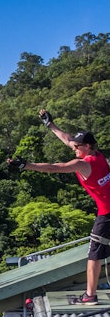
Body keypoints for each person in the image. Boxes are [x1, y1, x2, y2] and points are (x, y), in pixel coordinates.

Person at [8, 108, 110, 305]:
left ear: (87, 146)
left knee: (94, 254)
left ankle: (90, 295)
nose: (74, 149)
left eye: (78, 147)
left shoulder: (84, 164)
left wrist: (26, 166)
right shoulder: (98, 155)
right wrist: (50, 124)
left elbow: (55, 168)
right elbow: (68, 139)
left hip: (106, 214)